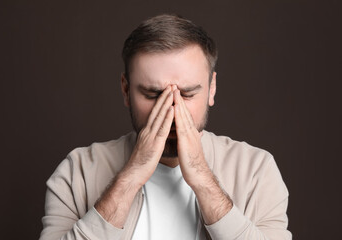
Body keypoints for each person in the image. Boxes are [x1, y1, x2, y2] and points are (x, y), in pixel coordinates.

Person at [40, 14, 291, 240]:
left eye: (188, 93)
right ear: (126, 90)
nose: (171, 109)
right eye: (152, 94)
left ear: (212, 88)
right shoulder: (78, 172)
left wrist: (203, 179)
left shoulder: (257, 171)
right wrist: (131, 176)